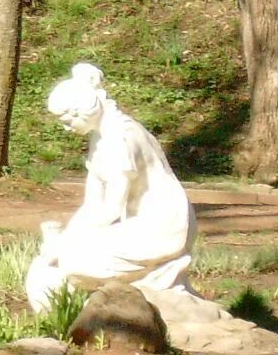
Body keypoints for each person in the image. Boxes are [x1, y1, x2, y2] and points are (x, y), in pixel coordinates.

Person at [26, 63, 197, 312]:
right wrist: (66, 238)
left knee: (74, 262)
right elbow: (92, 204)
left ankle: (120, 309)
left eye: (67, 120)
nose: (65, 128)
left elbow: (112, 209)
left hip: (162, 226)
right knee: (55, 260)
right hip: (136, 223)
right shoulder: (101, 137)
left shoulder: (120, 140)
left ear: (84, 110)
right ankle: (74, 317)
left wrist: (66, 245)